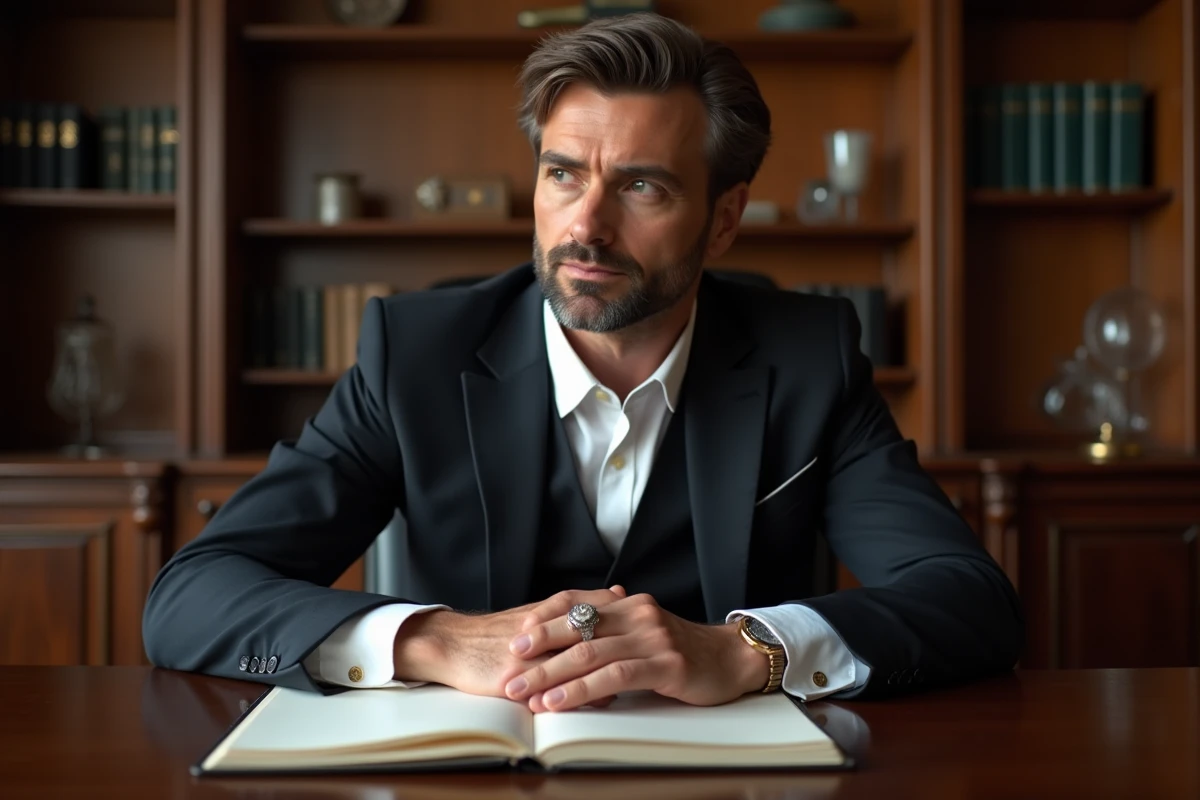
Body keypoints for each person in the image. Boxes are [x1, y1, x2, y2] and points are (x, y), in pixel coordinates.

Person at [142, 14, 1022, 711]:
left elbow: (969, 600)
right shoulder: (413, 356)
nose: (586, 227)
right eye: (563, 175)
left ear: (723, 219)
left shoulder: (808, 359)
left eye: (642, 186)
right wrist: (436, 641)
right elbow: (190, 596)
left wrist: (746, 649)